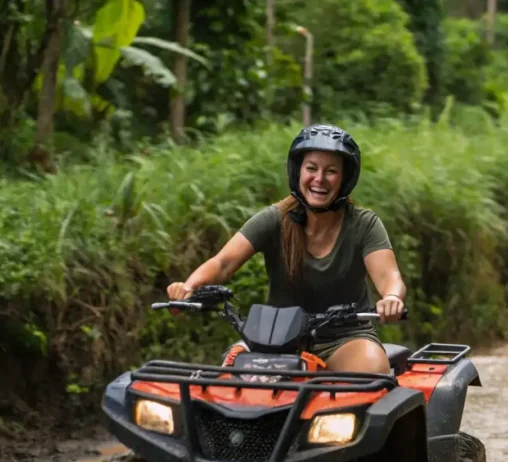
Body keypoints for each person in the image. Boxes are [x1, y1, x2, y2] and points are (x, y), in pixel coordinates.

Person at [166, 124, 406, 374]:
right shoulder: (275, 219)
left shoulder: (363, 224)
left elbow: (389, 276)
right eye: (311, 168)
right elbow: (222, 263)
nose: (319, 179)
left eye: (331, 171)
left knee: (373, 371)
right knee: (230, 374)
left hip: (344, 339)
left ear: (345, 179)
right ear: (297, 171)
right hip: (273, 339)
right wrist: (189, 288)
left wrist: (391, 298)